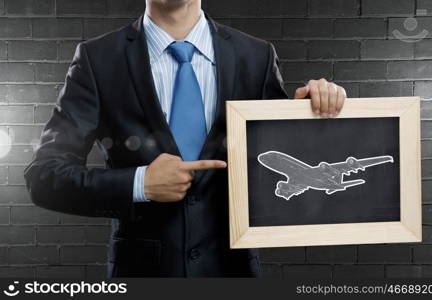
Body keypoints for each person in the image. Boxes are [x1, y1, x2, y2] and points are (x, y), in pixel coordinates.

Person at [24, 0, 346, 277]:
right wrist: (140, 184)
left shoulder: (256, 56)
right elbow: (44, 176)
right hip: (142, 274)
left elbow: (281, 158)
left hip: (233, 273)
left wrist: (316, 111)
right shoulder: (97, 59)